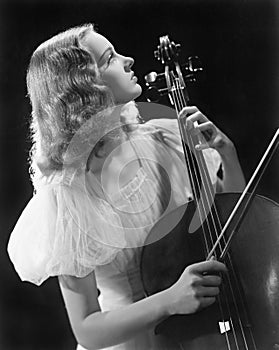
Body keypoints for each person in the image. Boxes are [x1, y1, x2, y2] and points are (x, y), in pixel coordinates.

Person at [7, 23, 246, 350]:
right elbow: (88, 330)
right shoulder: (68, 196)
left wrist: (227, 156)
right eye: (109, 59)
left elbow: (231, 228)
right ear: (84, 88)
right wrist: (169, 300)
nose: (128, 59)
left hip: (198, 337)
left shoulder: (162, 138)